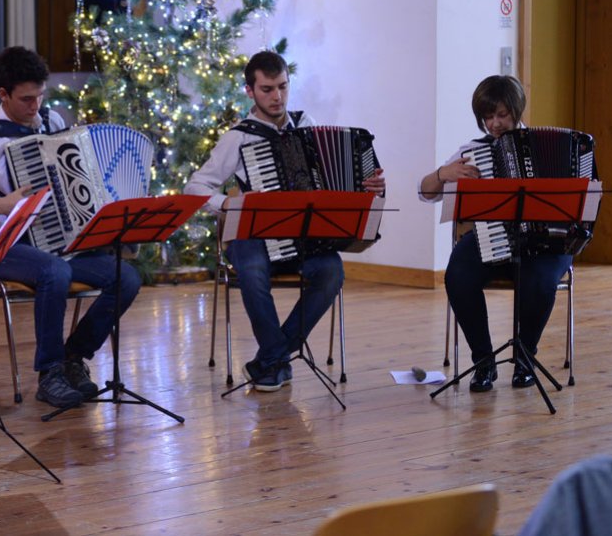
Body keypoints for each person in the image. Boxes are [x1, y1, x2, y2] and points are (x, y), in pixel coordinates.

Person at [0, 46, 141, 408]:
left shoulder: (55, 124)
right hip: (5, 247)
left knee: (125, 276)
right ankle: (49, 374)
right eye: (26, 99)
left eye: (40, 96)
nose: (36, 107)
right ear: (3, 94)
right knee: (55, 271)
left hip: (60, 245)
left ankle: (72, 357)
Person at [184, 51, 386, 392]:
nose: (276, 97)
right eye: (266, 89)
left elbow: (330, 180)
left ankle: (271, 360)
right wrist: (230, 205)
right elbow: (194, 188)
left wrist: (368, 184)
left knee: (332, 272)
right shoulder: (238, 137)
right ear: (250, 91)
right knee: (251, 272)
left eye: (282, 87)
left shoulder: (306, 126)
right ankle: (277, 358)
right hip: (254, 235)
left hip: (303, 236)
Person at [418, 75, 572, 392]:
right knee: (457, 274)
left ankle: (525, 358)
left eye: (501, 115)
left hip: (546, 240)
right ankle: (484, 361)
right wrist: (442, 174)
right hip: (492, 236)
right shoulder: (474, 151)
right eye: (487, 117)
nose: (494, 124)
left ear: (517, 110)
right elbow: (425, 192)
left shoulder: (552, 146)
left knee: (540, 280)